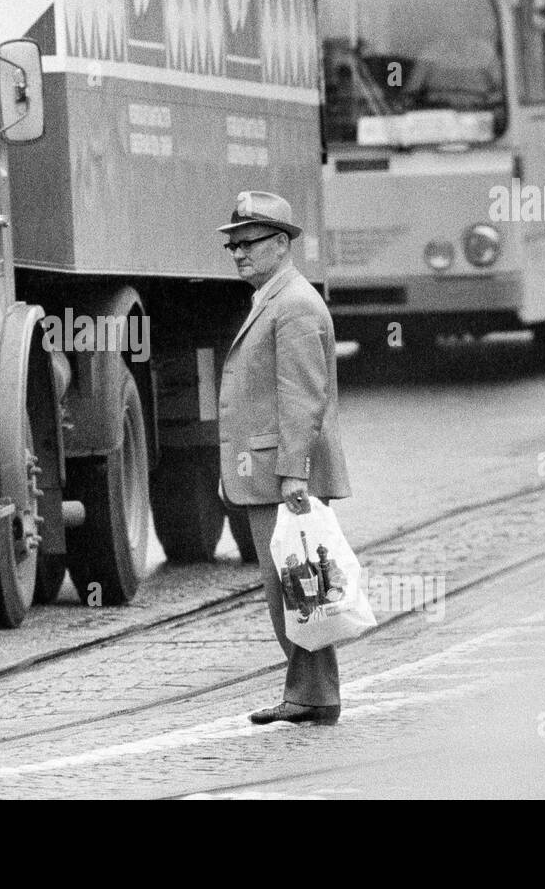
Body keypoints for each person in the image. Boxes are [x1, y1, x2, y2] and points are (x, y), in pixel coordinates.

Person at [216, 191, 351, 725]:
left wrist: (293, 473)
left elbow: (302, 395)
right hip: (274, 473)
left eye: (249, 243)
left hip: (283, 477)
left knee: (296, 589)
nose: (238, 254)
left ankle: (313, 697)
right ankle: (310, 694)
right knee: (296, 590)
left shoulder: (293, 304)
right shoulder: (277, 298)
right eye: (233, 245)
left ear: (280, 243)